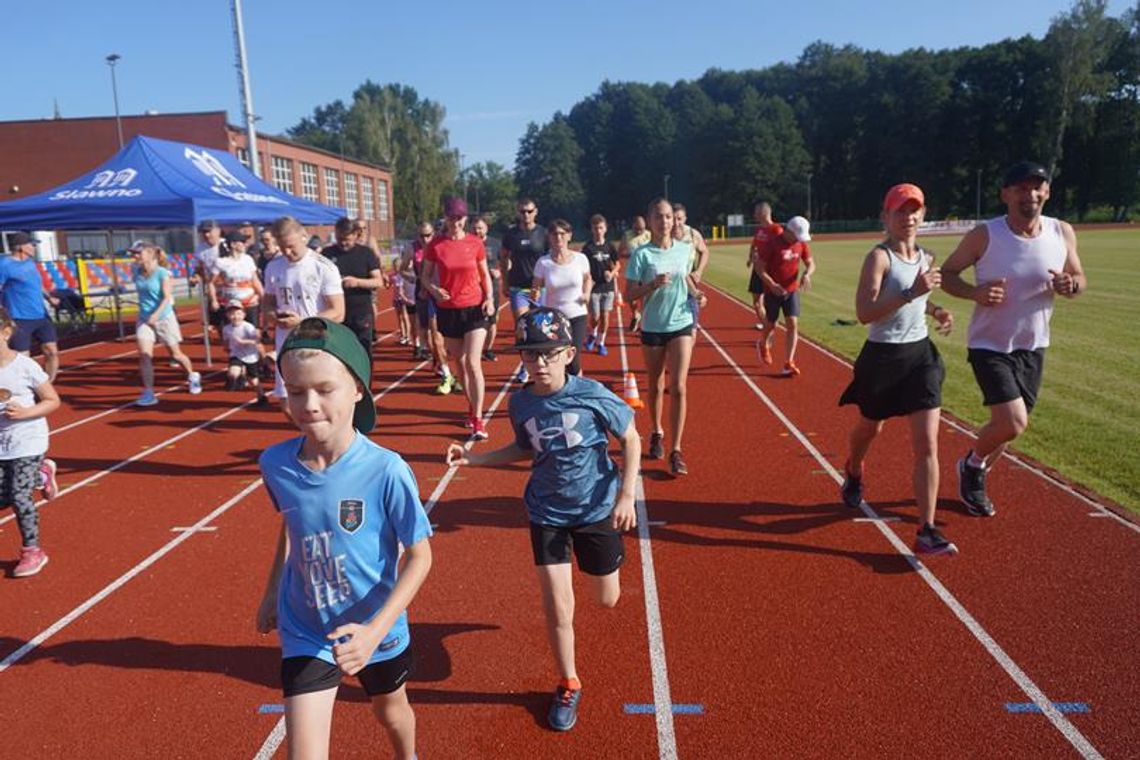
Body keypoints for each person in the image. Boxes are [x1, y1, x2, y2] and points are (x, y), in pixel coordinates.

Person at [445, 307, 639, 732]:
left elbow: (631, 437)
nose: (540, 364)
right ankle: (568, 682)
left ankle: (608, 559)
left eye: (549, 354)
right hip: (545, 511)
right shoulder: (522, 402)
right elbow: (524, 447)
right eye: (531, 355)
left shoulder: (593, 394)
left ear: (568, 354)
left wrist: (627, 495)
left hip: (595, 508)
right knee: (558, 605)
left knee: (606, 599)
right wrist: (475, 461)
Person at [256, 317, 432, 760]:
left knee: (391, 714)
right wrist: (273, 588)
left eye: (324, 389)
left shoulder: (387, 469)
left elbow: (420, 556)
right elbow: (292, 523)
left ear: (358, 389)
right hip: (305, 626)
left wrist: (374, 632)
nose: (309, 404)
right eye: (295, 391)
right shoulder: (275, 463)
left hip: (374, 626)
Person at [940, 161, 1086, 517]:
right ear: (1005, 194)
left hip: (1034, 345)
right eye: (1021, 188)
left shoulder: (1062, 232)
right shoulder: (985, 235)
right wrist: (975, 293)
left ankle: (977, 471)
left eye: (1038, 187)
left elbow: (1079, 276)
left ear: (1047, 192)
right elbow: (947, 274)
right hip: (990, 345)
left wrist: (1071, 286)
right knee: (1013, 421)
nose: (1030, 194)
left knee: (1010, 428)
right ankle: (972, 466)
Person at [838, 183, 958, 555]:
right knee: (870, 427)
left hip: (920, 357)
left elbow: (921, 298)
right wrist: (911, 293)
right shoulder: (879, 258)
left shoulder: (927, 256)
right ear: (886, 217)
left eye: (914, 210)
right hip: (882, 358)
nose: (908, 218)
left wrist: (936, 309)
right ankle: (854, 468)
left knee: (926, 443)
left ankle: (927, 528)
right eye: (900, 211)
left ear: (923, 215)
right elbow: (863, 313)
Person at [624, 198, 700, 476]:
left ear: (674, 220)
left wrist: (697, 294)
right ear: (650, 220)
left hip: (681, 322)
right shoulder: (641, 254)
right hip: (653, 326)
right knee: (655, 385)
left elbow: (687, 279)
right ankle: (656, 431)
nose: (665, 222)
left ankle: (676, 450)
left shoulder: (685, 250)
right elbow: (628, 295)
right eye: (659, 217)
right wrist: (652, 285)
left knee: (678, 386)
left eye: (668, 217)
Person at [421, 198, 495, 439]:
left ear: (465, 219)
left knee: (473, 362)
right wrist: (433, 289)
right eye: (452, 217)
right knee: (460, 363)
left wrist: (490, 298)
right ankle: (472, 406)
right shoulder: (436, 245)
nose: (456, 222)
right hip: (448, 309)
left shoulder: (475, 243)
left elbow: (484, 274)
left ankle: (478, 418)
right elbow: (426, 276)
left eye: (460, 218)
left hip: (474, 307)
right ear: (446, 217)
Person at [0, 307, 61, 577]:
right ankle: (41, 475)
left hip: (28, 440)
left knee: (19, 495)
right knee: (3, 497)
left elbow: (52, 400)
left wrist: (25, 413)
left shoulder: (25, 366)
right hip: (2, 444)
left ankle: (32, 550)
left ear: (5, 333)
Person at [264, 217, 346, 399]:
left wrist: (302, 322)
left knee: (318, 398)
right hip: (285, 343)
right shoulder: (273, 267)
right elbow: (267, 303)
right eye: (282, 246)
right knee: (286, 400)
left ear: (304, 236)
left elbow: (338, 312)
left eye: (290, 245)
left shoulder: (323, 267)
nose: (286, 251)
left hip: (317, 341)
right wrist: (273, 316)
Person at [129, 242, 202, 405]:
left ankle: (192, 375)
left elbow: (166, 297)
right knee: (144, 355)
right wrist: (148, 316)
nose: (134, 257)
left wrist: (156, 315)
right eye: (133, 253)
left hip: (164, 317)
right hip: (144, 318)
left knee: (175, 354)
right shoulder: (135, 270)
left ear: (150, 254)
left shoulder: (163, 273)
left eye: (137, 253)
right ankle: (149, 392)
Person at [755, 216, 815, 377]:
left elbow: (810, 263)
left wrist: (807, 274)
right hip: (773, 292)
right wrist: (772, 285)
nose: (798, 239)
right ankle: (763, 344)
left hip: (792, 290)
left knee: (793, 324)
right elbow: (760, 268)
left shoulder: (801, 244)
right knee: (771, 324)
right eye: (796, 236)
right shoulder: (772, 244)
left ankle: (789, 362)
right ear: (788, 231)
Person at [532, 220, 592, 376]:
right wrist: (535, 295)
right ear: (549, 237)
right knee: (557, 358)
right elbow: (535, 287)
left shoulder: (581, 259)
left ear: (569, 236)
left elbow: (588, 279)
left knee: (573, 359)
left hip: (577, 314)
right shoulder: (543, 263)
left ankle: (577, 390)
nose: (558, 237)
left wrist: (586, 293)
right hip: (554, 317)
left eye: (562, 234)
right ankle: (561, 390)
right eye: (554, 234)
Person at [321, 217, 385, 360]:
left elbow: (378, 281)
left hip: (360, 312)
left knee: (363, 351)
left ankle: (364, 381)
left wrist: (357, 282)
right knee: (338, 353)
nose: (343, 243)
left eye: (347, 239)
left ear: (356, 235)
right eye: (339, 239)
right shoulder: (327, 254)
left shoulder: (366, 253)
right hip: (335, 313)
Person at [500, 198, 549, 382]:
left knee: (538, 326)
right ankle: (526, 364)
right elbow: (503, 257)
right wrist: (505, 281)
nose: (525, 215)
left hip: (539, 287)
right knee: (523, 326)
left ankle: (536, 362)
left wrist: (545, 284)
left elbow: (550, 259)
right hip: (518, 287)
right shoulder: (511, 235)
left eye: (529, 211)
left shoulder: (543, 233)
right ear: (517, 212)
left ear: (535, 211)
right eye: (522, 211)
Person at [0, 232, 60, 381]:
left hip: (41, 315)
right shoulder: (4, 265)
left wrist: (49, 298)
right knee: (22, 358)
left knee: (52, 352)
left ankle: (48, 384)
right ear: (21, 247)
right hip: (19, 318)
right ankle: (25, 390)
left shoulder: (30, 263)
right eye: (31, 244)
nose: (34, 247)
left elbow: (37, 285)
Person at [581, 215, 621, 356]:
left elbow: (617, 263)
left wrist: (613, 272)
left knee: (605, 316)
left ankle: (601, 342)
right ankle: (592, 333)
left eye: (601, 227)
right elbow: (583, 267)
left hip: (607, 287)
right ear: (591, 229)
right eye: (595, 228)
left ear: (605, 229)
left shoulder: (610, 247)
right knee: (595, 317)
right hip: (593, 288)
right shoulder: (587, 248)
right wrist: (587, 280)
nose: (598, 230)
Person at [212, 230, 265, 332]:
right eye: (242, 242)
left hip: (250, 302)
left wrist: (262, 297)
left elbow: (255, 280)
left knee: (254, 332)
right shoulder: (221, 262)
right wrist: (214, 300)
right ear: (233, 244)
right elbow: (211, 282)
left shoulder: (248, 259)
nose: (245, 244)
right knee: (233, 333)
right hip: (231, 304)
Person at [221, 299, 268, 405]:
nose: (235, 316)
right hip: (236, 354)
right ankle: (236, 380)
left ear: (244, 314)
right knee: (233, 373)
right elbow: (226, 340)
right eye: (232, 314)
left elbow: (256, 341)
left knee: (253, 380)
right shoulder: (226, 328)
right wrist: (226, 347)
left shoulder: (248, 327)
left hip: (251, 356)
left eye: (238, 313)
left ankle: (262, 397)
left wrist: (243, 341)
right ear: (227, 315)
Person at [672, 203, 710, 331]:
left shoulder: (693, 234)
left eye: (679, 219)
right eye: (673, 219)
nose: (676, 223)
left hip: (690, 285)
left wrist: (699, 271)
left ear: (685, 219)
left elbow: (704, 251)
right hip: (671, 286)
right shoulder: (665, 236)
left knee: (692, 328)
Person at [747, 202, 783, 330]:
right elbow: (754, 244)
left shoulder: (777, 230)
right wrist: (750, 257)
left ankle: (769, 328)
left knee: (770, 302)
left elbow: (781, 250)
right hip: (757, 269)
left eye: (756, 211)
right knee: (757, 302)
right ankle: (767, 325)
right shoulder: (760, 229)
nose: (754, 214)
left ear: (763, 213)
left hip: (769, 271)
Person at [472, 216, 502, 361]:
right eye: (475, 228)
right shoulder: (468, 243)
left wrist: (500, 272)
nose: (477, 231)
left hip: (492, 287)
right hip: (473, 287)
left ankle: (488, 349)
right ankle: (474, 349)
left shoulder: (495, 244)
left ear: (486, 228)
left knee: (491, 319)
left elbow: (507, 262)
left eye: (480, 228)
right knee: (474, 319)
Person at [192, 220, 225, 332]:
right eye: (204, 232)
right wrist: (195, 277)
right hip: (212, 289)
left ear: (218, 231)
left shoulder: (225, 245)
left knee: (231, 319)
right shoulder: (200, 249)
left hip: (227, 287)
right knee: (217, 322)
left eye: (209, 231)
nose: (206, 235)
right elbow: (198, 269)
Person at [620, 215, 651, 332]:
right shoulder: (627, 236)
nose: (639, 231)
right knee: (630, 299)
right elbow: (620, 252)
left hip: (646, 272)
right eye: (637, 228)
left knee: (645, 299)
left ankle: (644, 324)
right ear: (633, 226)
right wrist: (632, 255)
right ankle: (635, 315)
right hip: (633, 272)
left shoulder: (649, 235)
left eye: (641, 229)